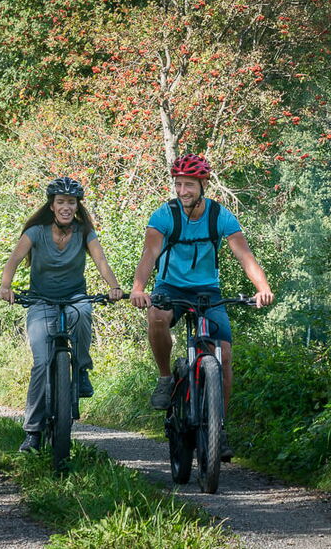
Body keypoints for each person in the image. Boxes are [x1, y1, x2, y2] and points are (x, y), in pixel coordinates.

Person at [129, 153, 273, 460]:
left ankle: (218, 428)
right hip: (170, 287)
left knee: (223, 354)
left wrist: (262, 288)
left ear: (202, 185)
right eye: (178, 184)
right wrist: (139, 289)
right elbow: (149, 255)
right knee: (156, 317)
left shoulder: (220, 216)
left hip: (207, 292)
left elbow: (245, 256)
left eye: (189, 185)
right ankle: (167, 378)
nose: (182, 191)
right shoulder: (164, 215)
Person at [0, 176, 124, 453]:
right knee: (42, 363)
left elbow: (101, 261)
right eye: (61, 202)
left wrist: (114, 287)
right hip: (40, 300)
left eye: (71, 202)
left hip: (75, 296)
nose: (66, 207)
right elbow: (14, 261)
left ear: (77, 205)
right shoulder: (35, 231)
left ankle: (80, 370)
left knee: (84, 313)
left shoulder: (84, 232)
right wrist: (5, 286)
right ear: (52, 206)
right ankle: (32, 433)